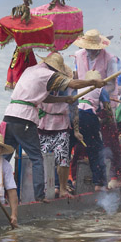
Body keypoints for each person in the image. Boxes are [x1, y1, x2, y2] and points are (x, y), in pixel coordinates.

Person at [2, 51, 105, 202]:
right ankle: (39, 197)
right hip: (25, 117)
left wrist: (64, 99)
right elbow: (74, 83)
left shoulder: (31, 70)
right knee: (37, 158)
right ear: (55, 69)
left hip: (10, 115)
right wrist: (93, 83)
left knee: (5, 157)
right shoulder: (48, 74)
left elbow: (45, 97)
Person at [72, 29, 121, 188]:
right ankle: (74, 178)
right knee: (79, 140)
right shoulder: (78, 55)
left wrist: (99, 95)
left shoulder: (110, 59)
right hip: (81, 102)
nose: (91, 51)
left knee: (111, 138)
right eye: (88, 48)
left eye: (94, 48)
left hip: (105, 102)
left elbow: (111, 84)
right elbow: (75, 78)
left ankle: (116, 176)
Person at [37, 61, 76, 198]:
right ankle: (45, 189)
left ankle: (63, 188)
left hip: (61, 124)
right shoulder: (44, 83)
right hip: (44, 123)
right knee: (42, 158)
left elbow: (74, 109)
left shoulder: (70, 87)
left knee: (62, 159)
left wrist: (76, 130)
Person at [75, 70, 108, 191]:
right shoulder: (101, 89)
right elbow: (108, 111)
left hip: (75, 116)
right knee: (96, 149)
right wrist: (102, 121)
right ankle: (99, 184)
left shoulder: (79, 88)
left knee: (71, 149)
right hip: (88, 116)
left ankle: (64, 183)